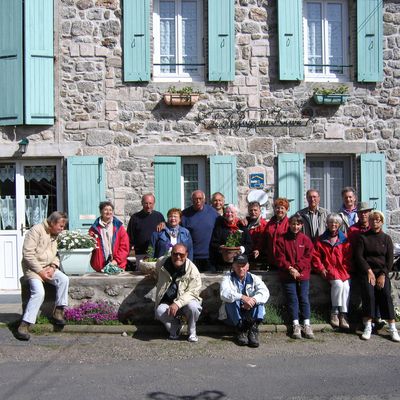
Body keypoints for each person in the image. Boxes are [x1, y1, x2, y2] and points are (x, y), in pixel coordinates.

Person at [16, 212, 69, 341]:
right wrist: (40, 272)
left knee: (64, 279)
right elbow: (28, 255)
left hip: (48, 268)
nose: (62, 229)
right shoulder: (35, 231)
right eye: (61, 226)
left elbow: (56, 254)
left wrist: (53, 267)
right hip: (33, 269)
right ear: (52, 223)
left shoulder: (54, 234)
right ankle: (25, 324)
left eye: (63, 226)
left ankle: (58, 312)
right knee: (39, 292)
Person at [354, 211, 400, 342]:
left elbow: (390, 260)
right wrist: (368, 271)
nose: (375, 222)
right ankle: (368, 326)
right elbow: (359, 257)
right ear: (369, 222)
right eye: (373, 220)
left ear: (382, 222)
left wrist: (383, 275)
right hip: (367, 272)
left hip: (382, 273)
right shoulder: (363, 238)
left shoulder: (386, 238)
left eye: (378, 220)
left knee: (385, 294)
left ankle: (392, 327)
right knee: (369, 294)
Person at [275, 214, 315, 339]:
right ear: (289, 225)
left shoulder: (305, 239)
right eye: (293, 224)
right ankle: (296, 324)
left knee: (303, 297)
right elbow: (280, 257)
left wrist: (297, 268)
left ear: (301, 225)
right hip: (287, 274)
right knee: (292, 298)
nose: (295, 226)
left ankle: (306, 324)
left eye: (298, 224)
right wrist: (290, 269)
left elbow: (308, 257)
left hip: (303, 273)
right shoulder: (281, 239)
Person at [154, 244, 202, 342]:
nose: (178, 257)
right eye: (175, 254)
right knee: (159, 311)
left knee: (193, 307)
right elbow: (156, 274)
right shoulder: (161, 263)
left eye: (181, 254)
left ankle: (192, 332)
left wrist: (177, 303)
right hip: (167, 302)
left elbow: (193, 292)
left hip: (186, 303)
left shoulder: (192, 270)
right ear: (171, 254)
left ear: (186, 254)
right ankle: (176, 326)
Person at [219, 254, 270, 347]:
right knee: (231, 300)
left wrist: (253, 300)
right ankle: (240, 330)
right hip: (232, 316)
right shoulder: (227, 277)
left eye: (243, 266)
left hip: (249, 314)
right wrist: (242, 297)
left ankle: (253, 330)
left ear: (248, 266)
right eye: (238, 266)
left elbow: (265, 292)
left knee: (259, 300)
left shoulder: (254, 278)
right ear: (233, 266)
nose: (241, 268)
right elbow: (224, 293)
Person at [312, 213, 352, 329]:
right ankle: (334, 312)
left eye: (336, 223)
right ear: (327, 224)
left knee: (346, 286)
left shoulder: (344, 239)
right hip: (329, 269)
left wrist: (346, 268)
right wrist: (321, 269)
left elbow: (348, 257)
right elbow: (316, 257)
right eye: (331, 222)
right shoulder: (321, 239)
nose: (333, 224)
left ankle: (343, 314)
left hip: (343, 269)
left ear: (339, 225)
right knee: (339, 285)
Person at [181, 190, 219, 272]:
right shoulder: (185, 214)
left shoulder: (213, 212)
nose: (198, 201)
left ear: (204, 200)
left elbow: (224, 225)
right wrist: (163, 224)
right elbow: (175, 227)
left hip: (210, 257)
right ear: (192, 200)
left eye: (200, 198)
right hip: (192, 257)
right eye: (195, 199)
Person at [89, 201, 130, 272]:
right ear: (101, 211)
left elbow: (124, 247)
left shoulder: (119, 227)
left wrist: (116, 261)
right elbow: (89, 245)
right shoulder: (94, 229)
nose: (108, 212)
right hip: (100, 266)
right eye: (105, 210)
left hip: (118, 265)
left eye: (110, 210)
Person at [209, 204, 252, 270]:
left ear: (236, 214)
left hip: (240, 264)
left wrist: (242, 249)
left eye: (232, 212)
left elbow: (249, 245)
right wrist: (220, 248)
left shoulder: (242, 227)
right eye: (227, 212)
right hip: (223, 264)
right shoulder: (220, 227)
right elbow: (213, 243)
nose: (229, 214)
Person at [127, 193, 165, 261]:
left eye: (150, 203)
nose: (148, 206)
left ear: (154, 203)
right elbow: (129, 238)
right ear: (142, 203)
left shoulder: (159, 216)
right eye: (146, 203)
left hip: (157, 253)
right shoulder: (135, 218)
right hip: (141, 253)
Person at [265, 198, 290, 270]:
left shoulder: (289, 223)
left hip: (285, 259)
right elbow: (264, 238)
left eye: (282, 208)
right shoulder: (270, 223)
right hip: (272, 259)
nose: (280, 210)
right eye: (277, 208)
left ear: (287, 210)